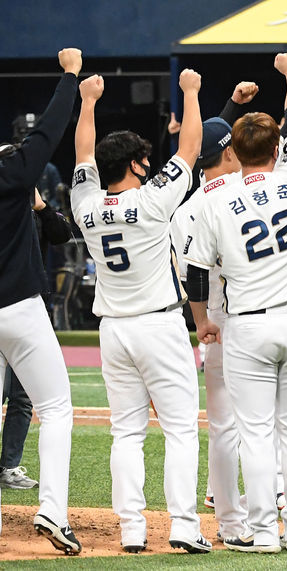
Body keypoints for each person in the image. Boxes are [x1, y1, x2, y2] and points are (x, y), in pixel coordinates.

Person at [185, 53, 287, 553]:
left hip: (246, 325)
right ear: (279, 147)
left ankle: (264, 532)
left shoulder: (216, 200)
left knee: (256, 434)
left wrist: (202, 322)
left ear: (234, 152)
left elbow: (197, 271)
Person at [71, 69, 209, 553]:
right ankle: (184, 526)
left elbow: (83, 153)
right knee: (179, 430)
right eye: (144, 159)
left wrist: (86, 102)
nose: (150, 164)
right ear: (135, 164)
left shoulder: (84, 204)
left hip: (113, 329)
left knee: (126, 434)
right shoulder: (152, 201)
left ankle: (131, 529)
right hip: (158, 322)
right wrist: (190, 92)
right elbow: (190, 148)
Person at [0, 48, 82, 556]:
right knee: (55, 407)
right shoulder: (13, 175)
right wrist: (70, 75)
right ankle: (52, 510)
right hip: (20, 307)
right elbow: (49, 130)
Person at [170, 116, 250, 541]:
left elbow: (190, 276)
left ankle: (228, 519)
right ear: (229, 152)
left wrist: (201, 321)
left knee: (222, 425)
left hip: (213, 322)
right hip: (254, 315)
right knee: (266, 421)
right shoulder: (248, 192)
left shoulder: (184, 209)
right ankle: (271, 506)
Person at [1, 188, 74, 491]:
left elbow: (62, 233)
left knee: (22, 397)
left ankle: (8, 466)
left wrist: (41, 204)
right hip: (11, 306)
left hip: (30, 310)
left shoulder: (33, 209)